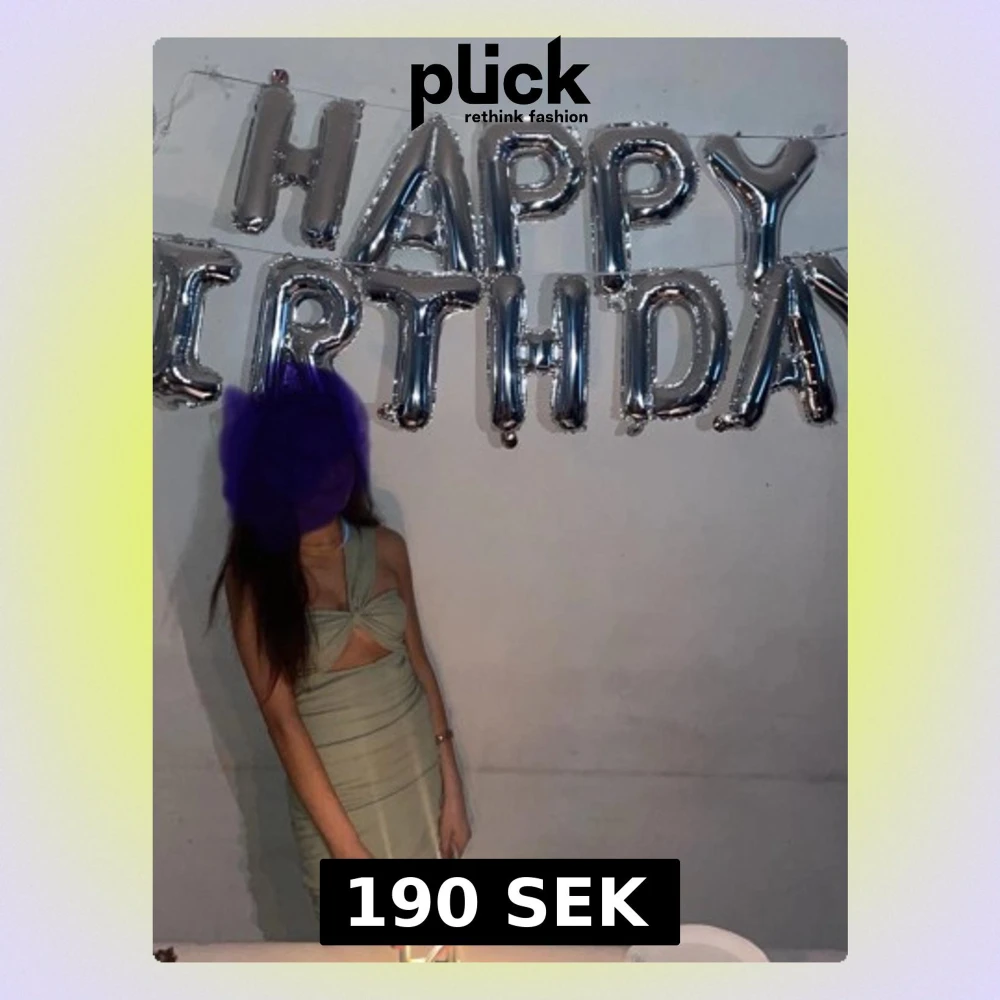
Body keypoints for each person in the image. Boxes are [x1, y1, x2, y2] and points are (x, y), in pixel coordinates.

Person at [209, 364, 471, 920]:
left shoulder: (387, 547)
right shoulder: (256, 577)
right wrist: (350, 855)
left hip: (417, 778)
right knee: (360, 952)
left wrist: (453, 789)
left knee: (440, 941)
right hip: (338, 804)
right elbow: (283, 723)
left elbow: (420, 667)